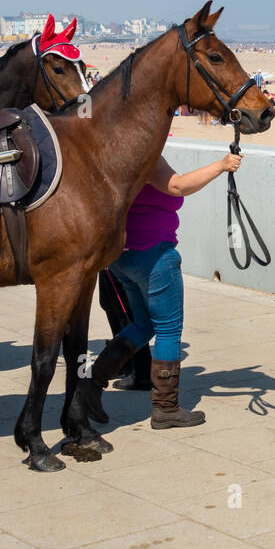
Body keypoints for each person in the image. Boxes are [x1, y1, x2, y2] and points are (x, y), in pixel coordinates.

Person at [78, 150, 243, 429]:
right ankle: (166, 407)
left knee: (143, 323)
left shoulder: (111, 156)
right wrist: (221, 166)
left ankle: (93, 380)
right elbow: (178, 185)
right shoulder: (145, 157)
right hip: (154, 256)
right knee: (168, 328)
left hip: (123, 256)